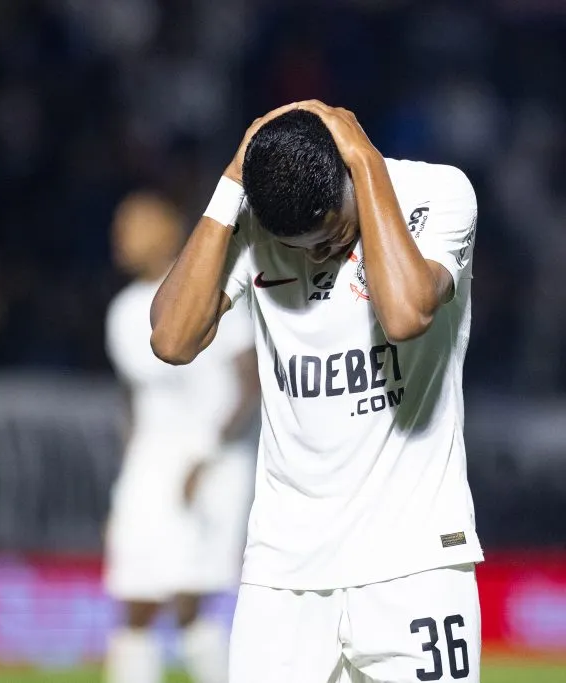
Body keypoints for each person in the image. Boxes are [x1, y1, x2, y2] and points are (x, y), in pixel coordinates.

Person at [150, 100, 483, 683]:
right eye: (302, 247)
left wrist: (362, 157)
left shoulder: (438, 192)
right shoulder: (255, 222)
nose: (321, 255)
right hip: (284, 569)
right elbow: (172, 339)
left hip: (417, 561)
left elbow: (406, 314)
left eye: (331, 236)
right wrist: (233, 180)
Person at [103, 192, 260, 683]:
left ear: (165, 232)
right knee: (136, 594)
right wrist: (129, 474)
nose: (120, 239)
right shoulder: (123, 310)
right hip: (149, 464)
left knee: (191, 596)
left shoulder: (212, 293)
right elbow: (134, 399)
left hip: (211, 462)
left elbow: (248, 385)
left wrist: (205, 455)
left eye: (132, 226)